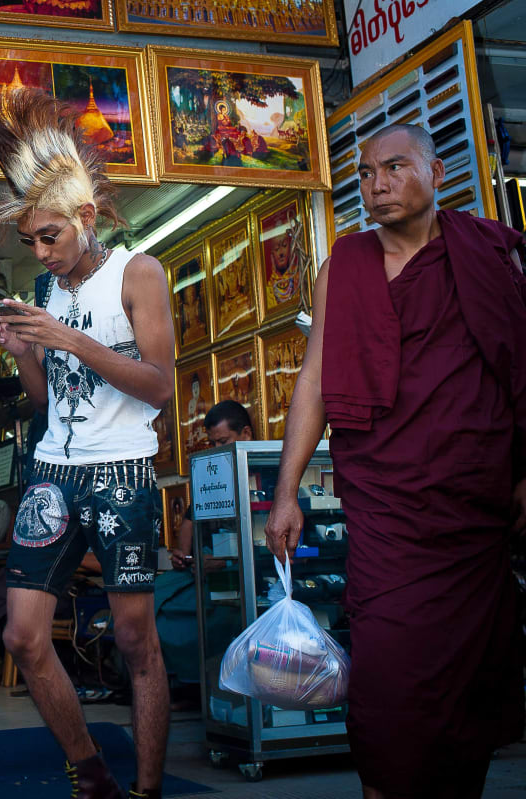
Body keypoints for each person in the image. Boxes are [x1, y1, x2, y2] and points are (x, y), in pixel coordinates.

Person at [264, 123, 525, 799]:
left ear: (437, 172)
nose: (378, 185)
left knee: (466, 696)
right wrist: (285, 490)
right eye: (367, 174)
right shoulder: (342, 267)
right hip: (388, 513)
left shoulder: (488, 253)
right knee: (386, 682)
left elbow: (518, 367)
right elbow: (316, 377)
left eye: (395, 168)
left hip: (475, 507)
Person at [0, 89, 175, 799]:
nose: (41, 251)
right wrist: (20, 349)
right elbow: (42, 400)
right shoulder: (46, 290)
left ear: (87, 217)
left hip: (122, 468)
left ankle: (147, 787)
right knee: (23, 636)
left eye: (51, 236)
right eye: (31, 239)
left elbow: (159, 387)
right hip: (52, 471)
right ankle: (91, 772)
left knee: (132, 638)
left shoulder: (137, 273)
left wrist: (66, 337)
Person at [168, 400, 255, 571]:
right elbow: (191, 519)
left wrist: (226, 561)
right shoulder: (211, 477)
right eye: (213, 444)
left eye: (223, 442)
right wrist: (182, 557)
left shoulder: (265, 474)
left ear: (246, 434)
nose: (216, 449)